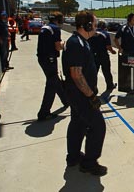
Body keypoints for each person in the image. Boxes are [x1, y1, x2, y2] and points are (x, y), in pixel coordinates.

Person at [62, 11, 107, 176]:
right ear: (87, 25)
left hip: (76, 94)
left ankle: (73, 157)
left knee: (77, 124)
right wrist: (91, 96)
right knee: (98, 126)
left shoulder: (81, 41)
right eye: (94, 24)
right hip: (81, 95)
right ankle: (89, 162)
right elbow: (76, 74)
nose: (96, 28)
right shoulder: (76, 44)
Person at [36, 12, 70, 121]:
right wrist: (63, 43)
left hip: (42, 58)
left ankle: (65, 101)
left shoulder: (45, 27)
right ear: (59, 20)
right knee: (51, 85)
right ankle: (44, 113)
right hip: (49, 59)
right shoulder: (55, 28)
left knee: (55, 80)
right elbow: (58, 47)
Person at [88, 20, 117, 90]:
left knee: (94, 72)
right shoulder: (105, 34)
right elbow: (108, 47)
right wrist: (113, 51)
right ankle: (110, 85)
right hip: (103, 55)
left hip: (93, 55)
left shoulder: (92, 33)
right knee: (106, 71)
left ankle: (92, 87)